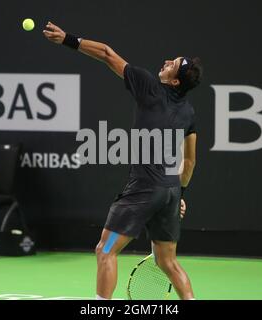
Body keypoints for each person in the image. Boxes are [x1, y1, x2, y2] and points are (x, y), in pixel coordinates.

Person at [44, 21, 201, 299]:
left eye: (173, 64)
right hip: (169, 194)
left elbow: (106, 53)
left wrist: (67, 39)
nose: (166, 62)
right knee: (168, 261)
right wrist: (180, 195)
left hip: (142, 193)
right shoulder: (188, 112)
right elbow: (189, 163)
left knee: (106, 249)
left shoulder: (149, 86)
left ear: (174, 81)